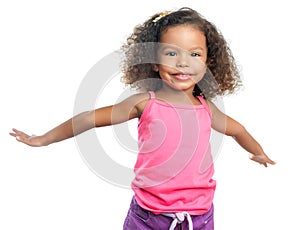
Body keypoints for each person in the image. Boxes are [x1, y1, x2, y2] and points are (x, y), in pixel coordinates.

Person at [10, 7, 275, 230]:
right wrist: (43, 139)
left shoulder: (207, 109)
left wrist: (258, 152)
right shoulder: (144, 103)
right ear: (154, 62)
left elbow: (238, 131)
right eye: (172, 53)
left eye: (195, 54)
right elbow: (89, 118)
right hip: (149, 216)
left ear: (208, 62)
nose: (184, 63)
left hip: (200, 216)